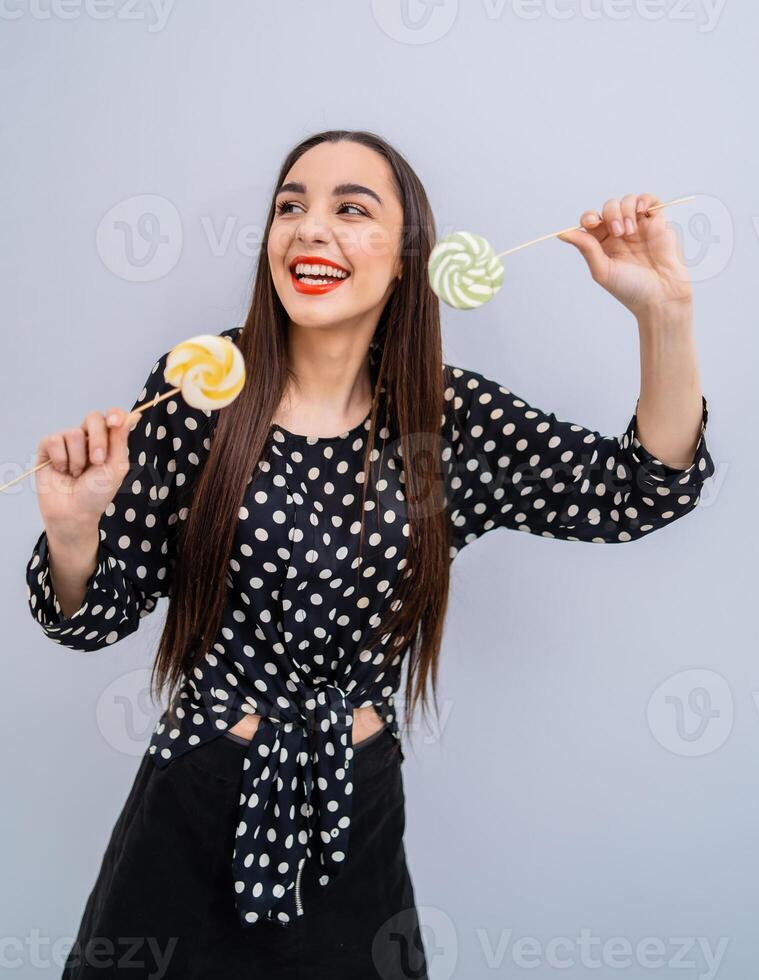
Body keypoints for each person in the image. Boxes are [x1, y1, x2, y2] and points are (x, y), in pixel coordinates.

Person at [25, 130, 715, 980]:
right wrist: (72, 528)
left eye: (351, 209)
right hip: (191, 810)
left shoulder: (447, 420)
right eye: (290, 207)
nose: (310, 230)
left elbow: (641, 489)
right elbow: (91, 620)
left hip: (352, 816)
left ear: (407, 260)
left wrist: (664, 315)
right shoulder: (198, 396)